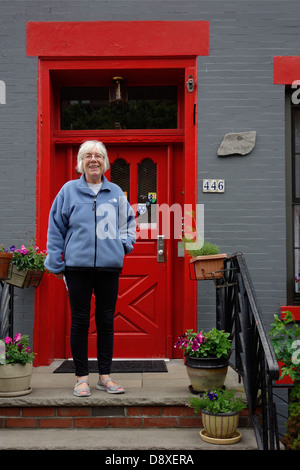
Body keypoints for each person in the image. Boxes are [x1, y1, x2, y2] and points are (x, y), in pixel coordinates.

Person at [44, 140, 136, 397]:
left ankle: (104, 376)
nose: (93, 159)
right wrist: (56, 261)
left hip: (108, 267)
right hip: (77, 268)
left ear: (105, 162)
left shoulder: (116, 192)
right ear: (81, 162)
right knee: (80, 321)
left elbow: (128, 223)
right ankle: (81, 378)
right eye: (88, 156)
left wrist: (123, 246)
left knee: (106, 321)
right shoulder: (68, 191)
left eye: (98, 156)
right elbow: (55, 229)